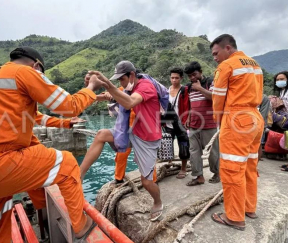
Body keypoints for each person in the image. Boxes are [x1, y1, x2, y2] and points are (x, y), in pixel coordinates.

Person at [0, 46, 103, 243]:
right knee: (68, 163)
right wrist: (91, 88)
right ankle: (81, 226)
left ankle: (41, 213)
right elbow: (69, 105)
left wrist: (67, 123)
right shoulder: (25, 72)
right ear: (36, 66)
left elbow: (36, 117)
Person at [81, 61, 164, 221]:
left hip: (147, 138)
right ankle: (78, 176)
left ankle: (158, 202)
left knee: (146, 182)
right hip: (132, 131)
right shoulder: (128, 88)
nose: (120, 83)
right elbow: (104, 97)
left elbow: (130, 102)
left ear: (131, 75)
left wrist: (106, 83)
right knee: (101, 134)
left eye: (122, 79)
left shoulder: (145, 87)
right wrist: (90, 88)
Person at [209, 34, 264, 231]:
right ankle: (249, 207)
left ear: (228, 48)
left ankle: (234, 216)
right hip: (255, 118)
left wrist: (219, 122)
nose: (214, 58)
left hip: (236, 120)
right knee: (249, 165)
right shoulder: (255, 64)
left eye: (216, 53)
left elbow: (218, 99)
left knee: (232, 168)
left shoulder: (227, 66)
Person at [177, 61, 220, 185]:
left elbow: (215, 98)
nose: (192, 78)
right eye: (189, 76)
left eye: (194, 74)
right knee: (194, 151)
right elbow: (192, 105)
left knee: (213, 151)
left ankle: (217, 173)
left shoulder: (210, 82)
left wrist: (200, 88)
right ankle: (198, 176)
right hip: (194, 125)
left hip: (209, 124)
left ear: (200, 72)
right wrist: (189, 118)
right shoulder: (189, 87)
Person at [164, 68, 190, 179]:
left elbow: (190, 105)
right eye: (172, 78)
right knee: (168, 145)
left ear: (181, 78)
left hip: (181, 123)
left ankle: (183, 168)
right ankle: (170, 164)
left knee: (183, 145)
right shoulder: (166, 91)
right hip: (168, 123)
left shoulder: (185, 90)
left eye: (177, 78)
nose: (174, 80)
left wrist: (189, 118)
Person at [258, 94, 271, 161]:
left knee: (258, 144)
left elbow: (263, 114)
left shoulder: (264, 98)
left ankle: (254, 167)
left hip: (258, 124)